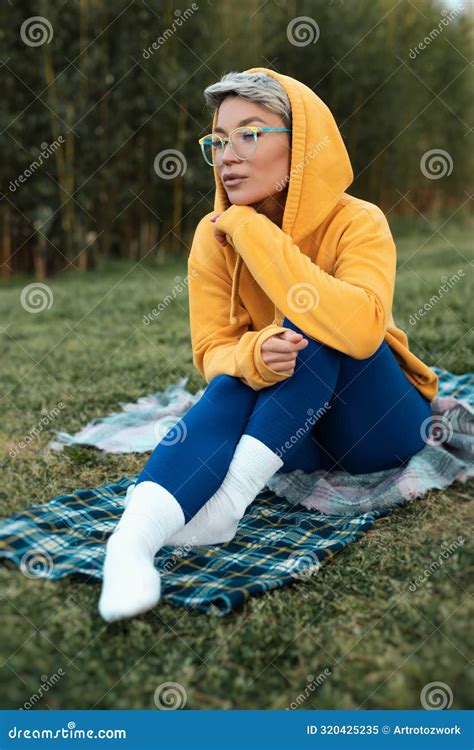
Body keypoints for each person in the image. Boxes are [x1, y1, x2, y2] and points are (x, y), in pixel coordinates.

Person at [98, 68, 438, 622]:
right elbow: (212, 351)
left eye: (250, 134)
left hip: (379, 426)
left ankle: (227, 503)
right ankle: (130, 544)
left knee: (319, 325)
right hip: (291, 438)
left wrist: (254, 232)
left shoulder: (359, 222)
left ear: (300, 147)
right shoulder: (213, 238)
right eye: (218, 140)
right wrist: (253, 356)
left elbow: (361, 328)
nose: (227, 155)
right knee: (242, 374)